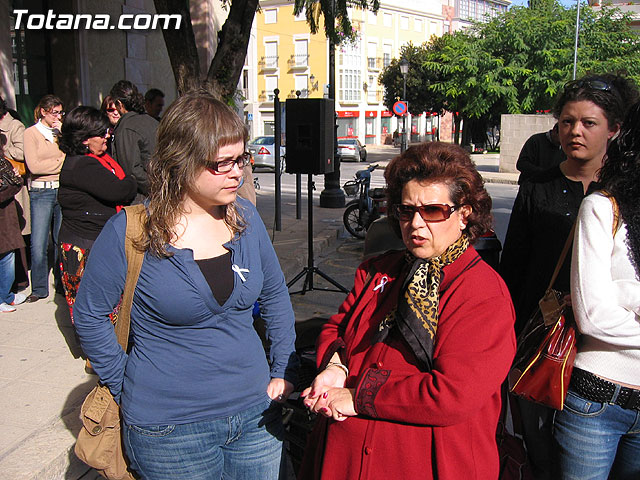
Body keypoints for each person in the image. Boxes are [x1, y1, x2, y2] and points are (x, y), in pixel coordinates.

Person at [73, 90, 298, 480]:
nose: (237, 172)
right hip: (169, 430)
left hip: (256, 415)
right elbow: (89, 314)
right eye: (221, 163)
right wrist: (123, 381)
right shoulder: (130, 230)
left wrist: (284, 368)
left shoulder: (244, 216)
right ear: (181, 161)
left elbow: (275, 294)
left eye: (240, 159)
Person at [299, 142, 516, 480]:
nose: (415, 223)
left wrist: (361, 397)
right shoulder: (378, 270)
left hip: (428, 463)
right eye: (406, 210)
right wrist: (336, 367)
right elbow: (337, 329)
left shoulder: (482, 293)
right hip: (345, 459)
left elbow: (453, 394)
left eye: (433, 211)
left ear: (464, 214)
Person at [499, 74, 638, 479]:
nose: (575, 131)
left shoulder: (624, 196)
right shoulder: (537, 188)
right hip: (547, 344)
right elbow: (514, 271)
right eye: (566, 121)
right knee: (545, 459)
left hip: (608, 354)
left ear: (614, 129)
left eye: (588, 123)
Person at [552, 101, 640, 479]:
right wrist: (613, 300)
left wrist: (623, 293)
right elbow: (592, 317)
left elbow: (608, 307)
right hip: (596, 402)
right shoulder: (604, 208)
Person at [57, 106, 137, 321]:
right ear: (84, 139)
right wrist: (131, 179)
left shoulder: (92, 161)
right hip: (84, 247)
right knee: (93, 308)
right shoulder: (83, 165)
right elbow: (119, 191)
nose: (107, 136)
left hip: (92, 242)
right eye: (102, 133)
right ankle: (96, 353)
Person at [23, 94, 66, 303]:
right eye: (55, 112)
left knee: (60, 239)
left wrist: (63, 134)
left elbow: (69, 156)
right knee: (39, 242)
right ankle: (39, 287)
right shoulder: (31, 134)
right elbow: (34, 166)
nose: (58, 116)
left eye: (60, 112)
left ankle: (60, 283)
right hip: (41, 191)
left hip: (61, 189)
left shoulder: (59, 134)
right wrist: (59, 162)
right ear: (43, 111)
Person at [109, 80, 158, 201]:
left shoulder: (126, 128)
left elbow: (132, 171)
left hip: (142, 198)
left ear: (119, 104)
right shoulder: (152, 121)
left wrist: (155, 189)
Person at [0, 96, 29, 291]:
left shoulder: (15, 126)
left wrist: (4, 148)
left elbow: (22, 152)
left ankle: (14, 286)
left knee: (12, 242)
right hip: (7, 186)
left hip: (10, 189)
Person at [0, 133, 27, 312]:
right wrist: (14, 182)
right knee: (6, 257)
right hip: (3, 221)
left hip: (5, 218)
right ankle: (4, 297)